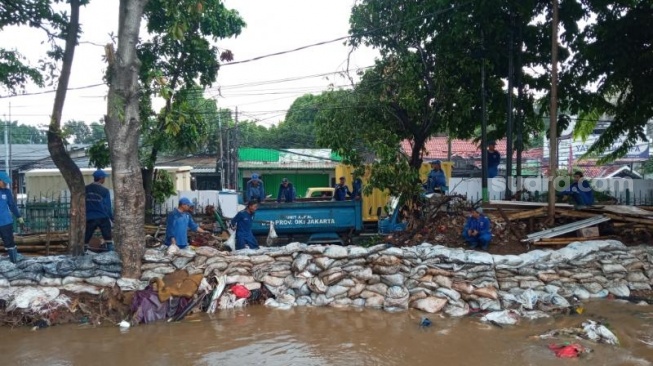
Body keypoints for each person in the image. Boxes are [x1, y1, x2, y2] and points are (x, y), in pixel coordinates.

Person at [84, 169, 114, 253]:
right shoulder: (105, 191)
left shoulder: (86, 189)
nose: (104, 179)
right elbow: (107, 206)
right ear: (101, 178)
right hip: (102, 216)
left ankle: (83, 251)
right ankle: (110, 252)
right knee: (107, 236)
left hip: (89, 217)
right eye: (104, 178)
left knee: (87, 236)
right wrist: (111, 218)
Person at [0, 172, 23, 263]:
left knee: (10, 243)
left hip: (5, 222)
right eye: (4, 182)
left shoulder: (7, 192)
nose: (6, 184)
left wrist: (19, 217)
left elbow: (12, 205)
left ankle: (14, 263)